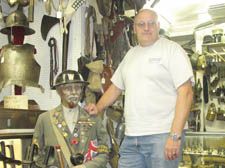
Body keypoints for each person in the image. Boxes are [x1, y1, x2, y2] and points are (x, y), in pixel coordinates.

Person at [85, 9, 194, 168]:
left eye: (151, 23)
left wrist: (175, 136)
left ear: (158, 26)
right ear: (134, 28)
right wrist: (98, 106)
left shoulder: (172, 50)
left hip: (162, 136)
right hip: (131, 137)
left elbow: (186, 92)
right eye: (141, 24)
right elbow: (116, 87)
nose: (146, 28)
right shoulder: (131, 55)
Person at [32, 70, 109, 168]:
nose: (74, 92)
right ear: (59, 91)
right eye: (68, 88)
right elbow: (36, 155)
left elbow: (104, 153)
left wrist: (86, 167)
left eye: (78, 88)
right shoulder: (45, 119)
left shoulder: (93, 119)